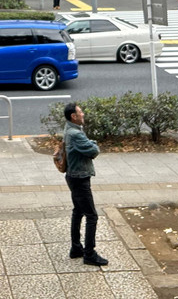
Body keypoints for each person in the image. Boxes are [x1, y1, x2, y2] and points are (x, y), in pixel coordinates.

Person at [63, 102, 107, 266]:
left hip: (73, 176)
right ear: (74, 116)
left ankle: (76, 248)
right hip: (80, 178)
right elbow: (93, 151)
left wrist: (89, 142)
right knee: (92, 216)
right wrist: (93, 143)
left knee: (78, 211)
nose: (83, 114)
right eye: (80, 112)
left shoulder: (70, 129)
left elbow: (87, 145)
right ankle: (89, 253)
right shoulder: (75, 134)